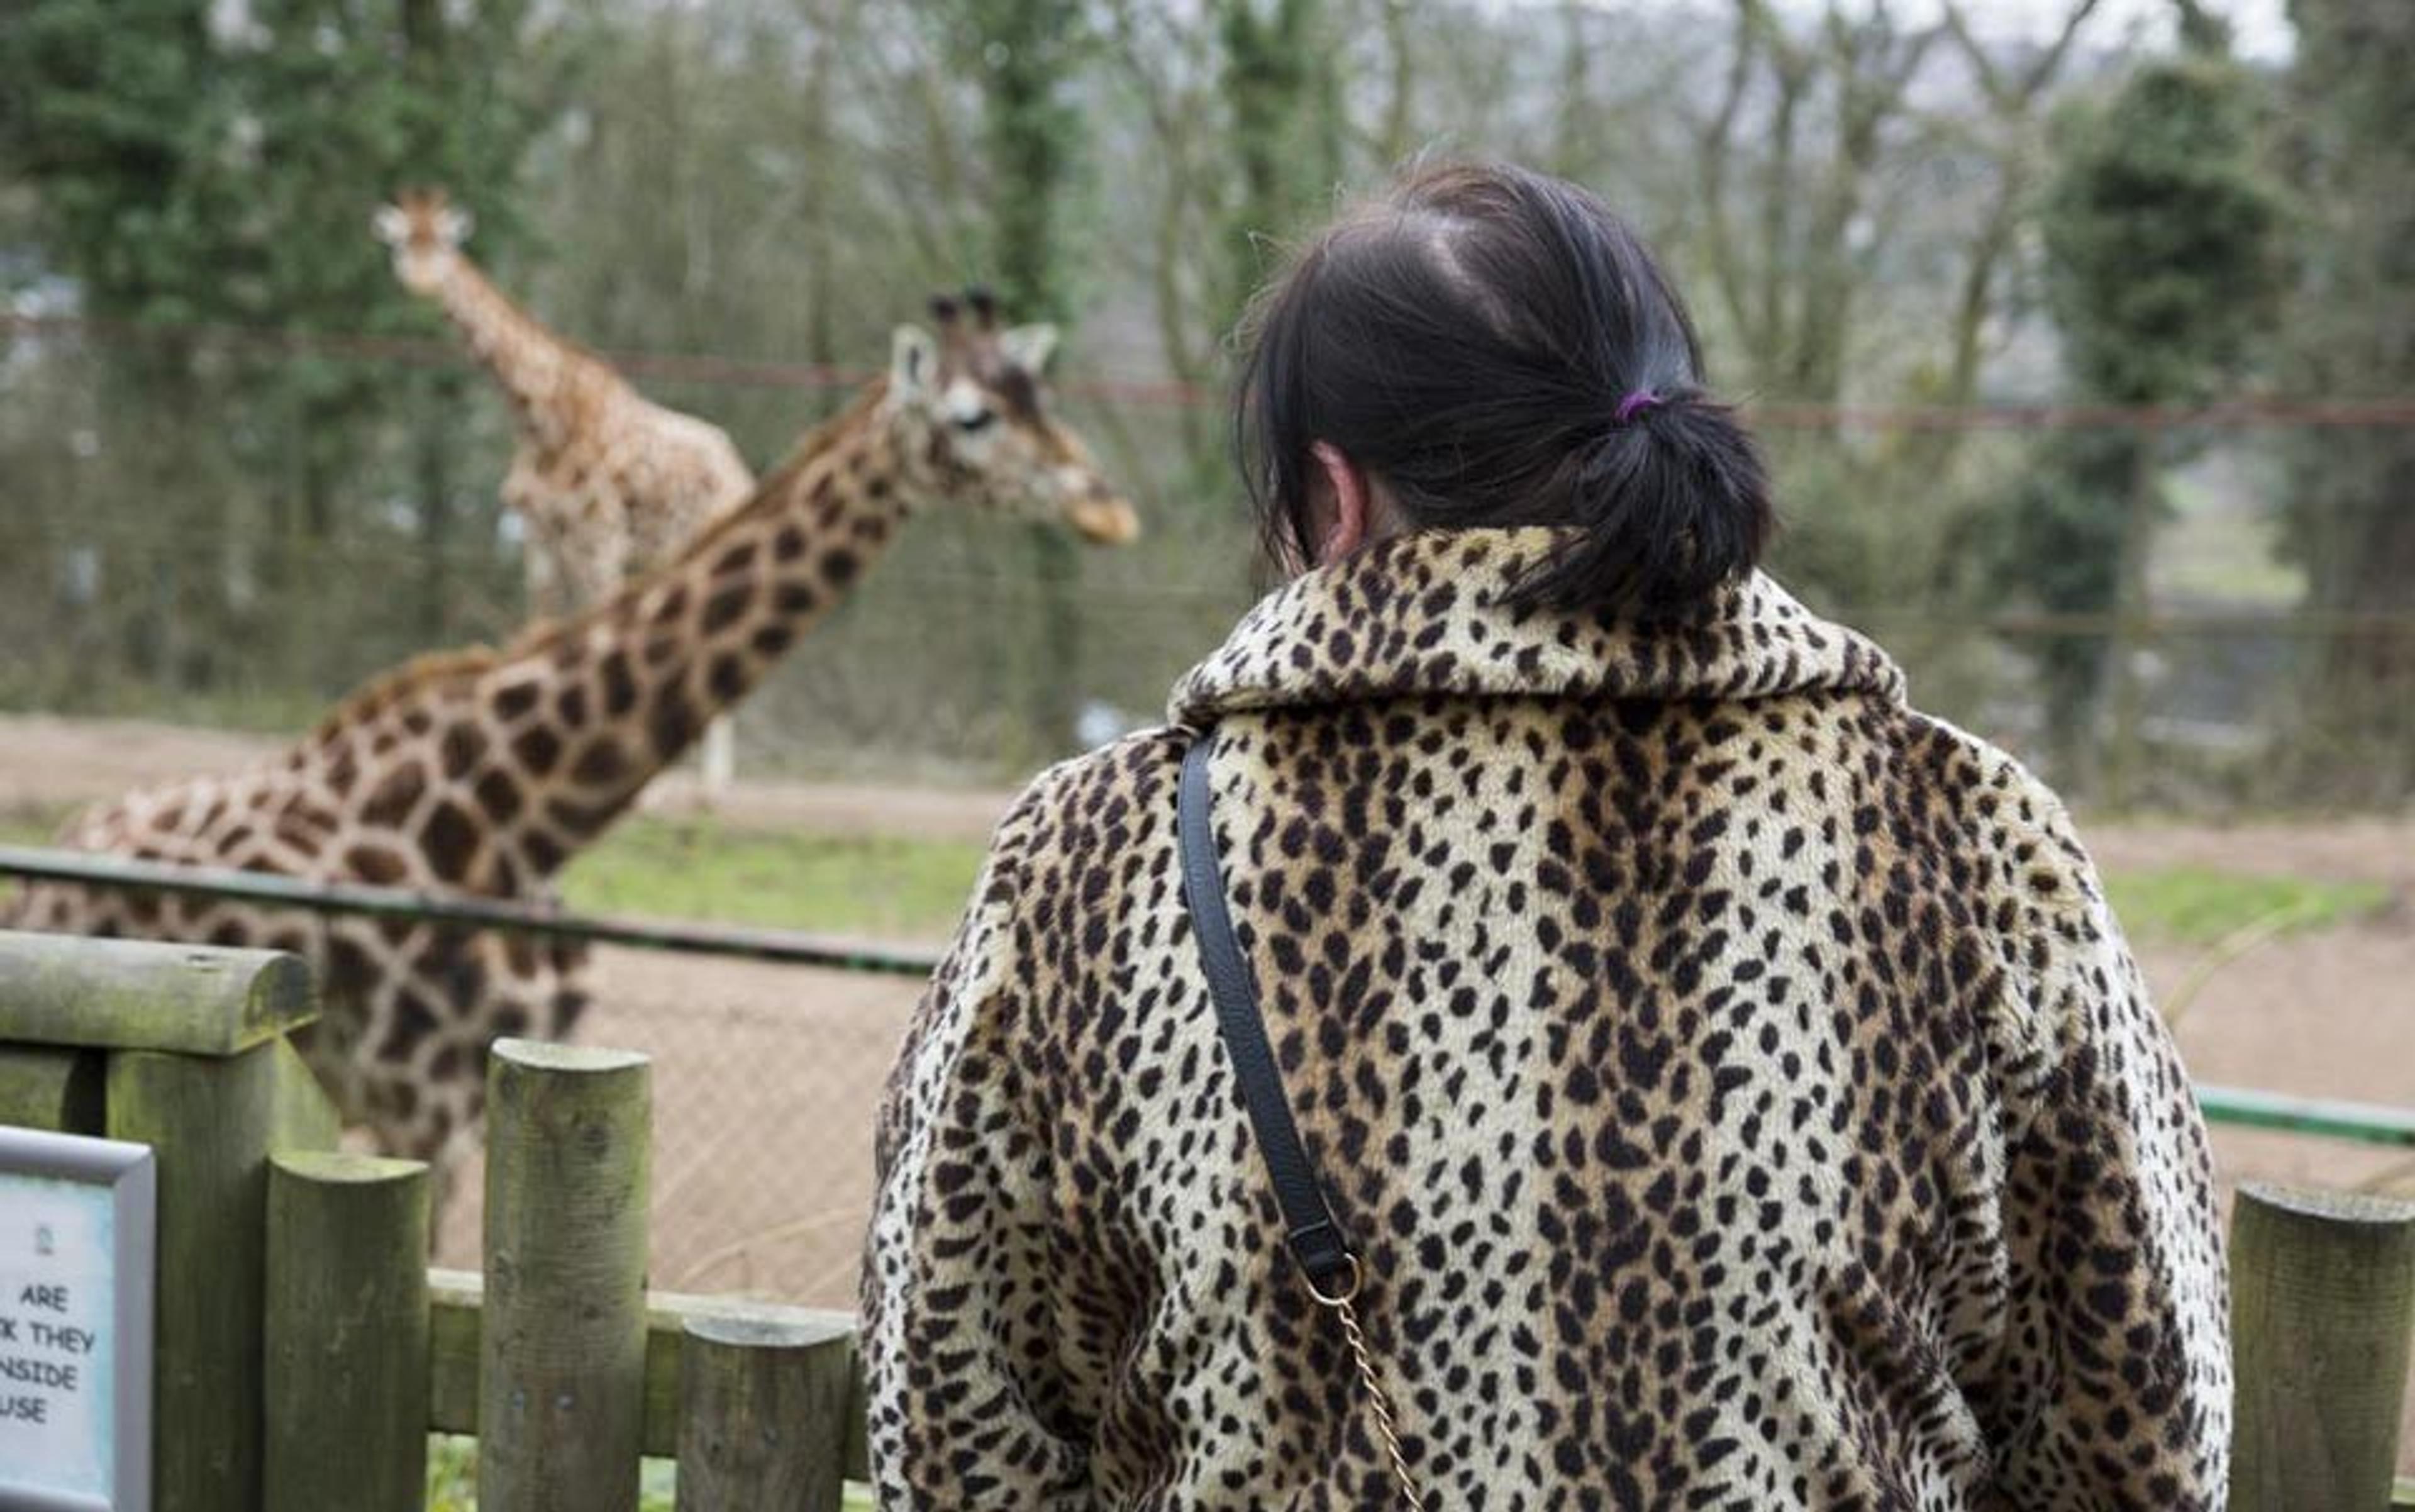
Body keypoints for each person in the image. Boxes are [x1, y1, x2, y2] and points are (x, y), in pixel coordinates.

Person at [862, 160, 2229, 1509]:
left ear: (1331, 497)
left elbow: (955, 1423)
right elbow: (2142, 1434)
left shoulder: (1092, 861)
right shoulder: (1967, 837)